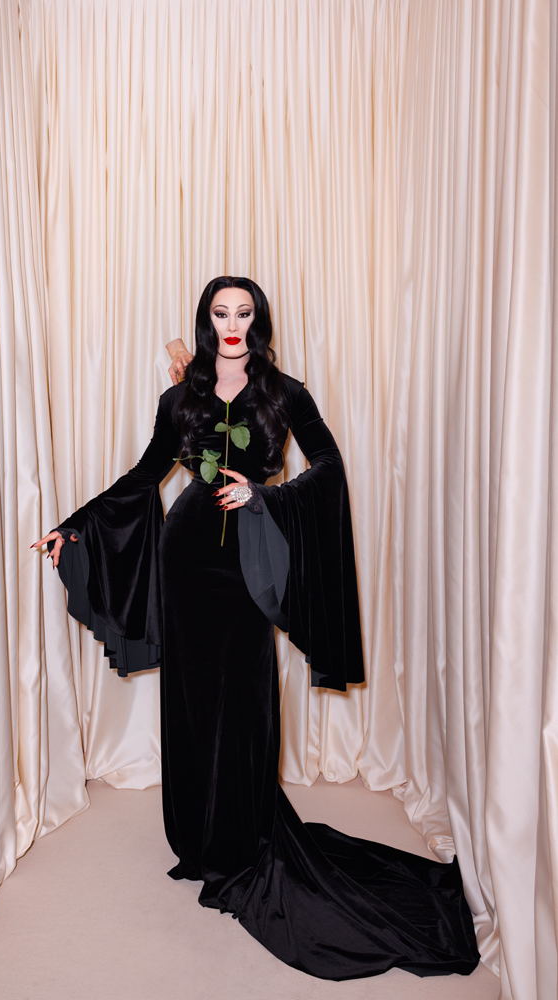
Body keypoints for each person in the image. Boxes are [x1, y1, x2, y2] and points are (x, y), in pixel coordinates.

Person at [32, 276, 479, 980]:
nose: (232, 322)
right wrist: (75, 525)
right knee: (190, 700)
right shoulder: (180, 397)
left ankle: (239, 839)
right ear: (206, 320)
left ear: (257, 319)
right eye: (221, 312)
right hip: (186, 557)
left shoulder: (284, 393)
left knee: (242, 698)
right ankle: (200, 840)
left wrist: (265, 494)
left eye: (243, 312)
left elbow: (329, 467)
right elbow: (146, 474)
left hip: (248, 563)